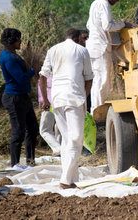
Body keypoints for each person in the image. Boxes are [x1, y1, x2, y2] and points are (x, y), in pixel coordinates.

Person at [39, 28, 93, 189]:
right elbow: (89, 79)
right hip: (74, 97)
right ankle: (65, 179)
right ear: (77, 39)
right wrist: (84, 96)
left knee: (67, 139)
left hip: (57, 98)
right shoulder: (82, 50)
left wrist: (45, 99)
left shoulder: (53, 49)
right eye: (82, 39)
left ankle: (72, 179)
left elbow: (42, 76)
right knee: (76, 139)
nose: (84, 41)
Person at [86, 0, 134, 114]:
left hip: (95, 47)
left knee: (98, 80)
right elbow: (107, 26)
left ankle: (95, 110)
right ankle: (97, 111)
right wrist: (124, 24)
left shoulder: (95, 3)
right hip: (100, 48)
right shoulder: (104, 4)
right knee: (102, 80)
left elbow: (89, 24)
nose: (117, 0)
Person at [0, 28, 39, 169]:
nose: (20, 41)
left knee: (33, 128)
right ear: (11, 41)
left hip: (23, 97)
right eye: (18, 39)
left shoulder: (13, 54)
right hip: (14, 98)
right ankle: (14, 165)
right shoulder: (8, 57)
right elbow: (21, 78)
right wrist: (34, 70)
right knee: (18, 132)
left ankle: (30, 160)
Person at [37, 76, 61, 156]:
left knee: (44, 130)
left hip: (49, 104)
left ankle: (58, 149)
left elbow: (42, 85)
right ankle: (60, 151)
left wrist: (42, 101)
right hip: (61, 103)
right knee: (60, 128)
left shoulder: (45, 74)